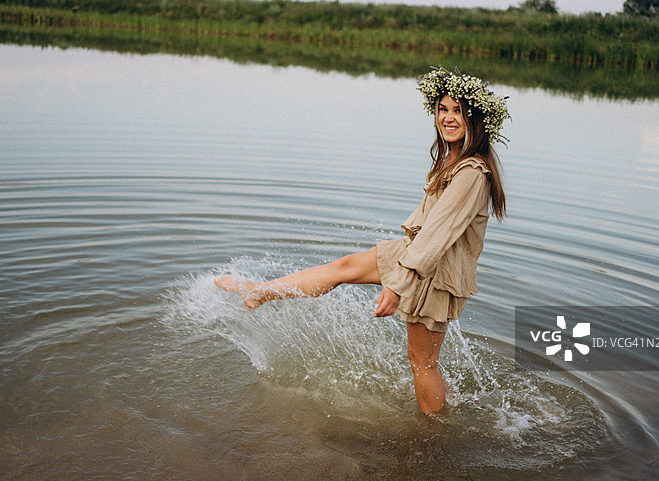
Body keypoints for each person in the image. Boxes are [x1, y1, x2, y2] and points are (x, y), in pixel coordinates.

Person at [215, 66, 509, 414]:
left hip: (433, 270)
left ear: (475, 119)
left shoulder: (472, 173)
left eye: (457, 111)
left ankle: (434, 435)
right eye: (442, 109)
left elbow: (437, 235)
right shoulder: (453, 161)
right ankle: (258, 293)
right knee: (343, 267)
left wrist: (399, 285)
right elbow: (427, 230)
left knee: (423, 362)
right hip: (415, 254)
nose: (447, 118)